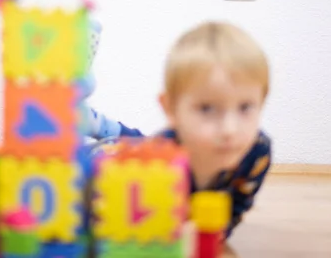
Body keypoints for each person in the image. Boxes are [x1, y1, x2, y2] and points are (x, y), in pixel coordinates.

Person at [86, 21, 272, 237]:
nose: (229, 129)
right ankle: (97, 126)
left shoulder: (257, 152)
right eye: (207, 108)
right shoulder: (155, 160)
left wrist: (215, 233)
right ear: (171, 109)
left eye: (246, 107)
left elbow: (236, 207)